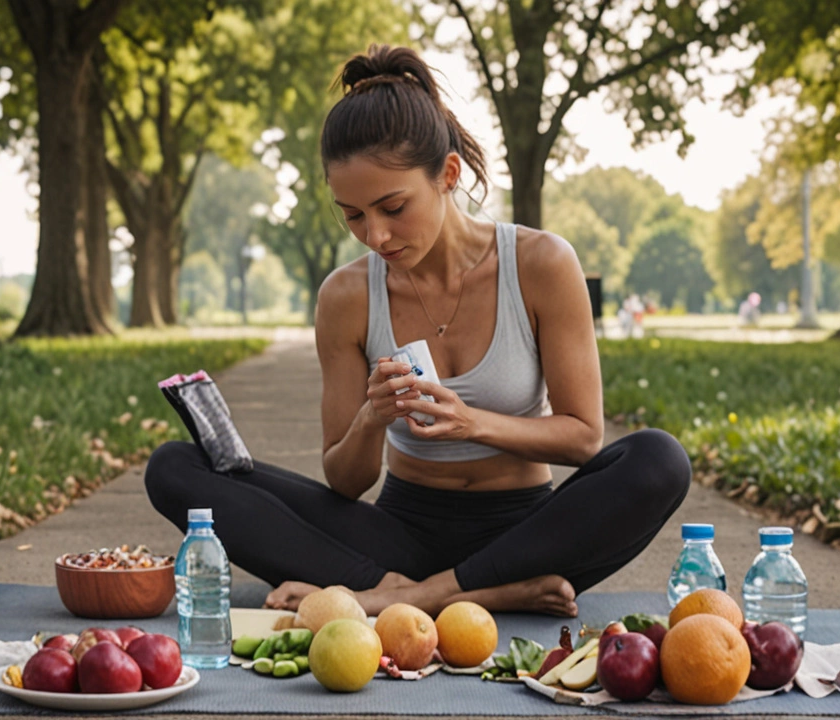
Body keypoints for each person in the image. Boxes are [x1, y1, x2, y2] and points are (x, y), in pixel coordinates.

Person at [145, 44, 691, 618]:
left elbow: (583, 438)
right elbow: (346, 481)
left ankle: (413, 598)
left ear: (447, 174)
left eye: (393, 207)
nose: (375, 235)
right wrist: (372, 418)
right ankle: (465, 594)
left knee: (659, 459)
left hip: (526, 533)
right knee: (174, 468)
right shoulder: (346, 296)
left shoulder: (541, 263)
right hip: (396, 537)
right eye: (353, 215)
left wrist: (471, 422)